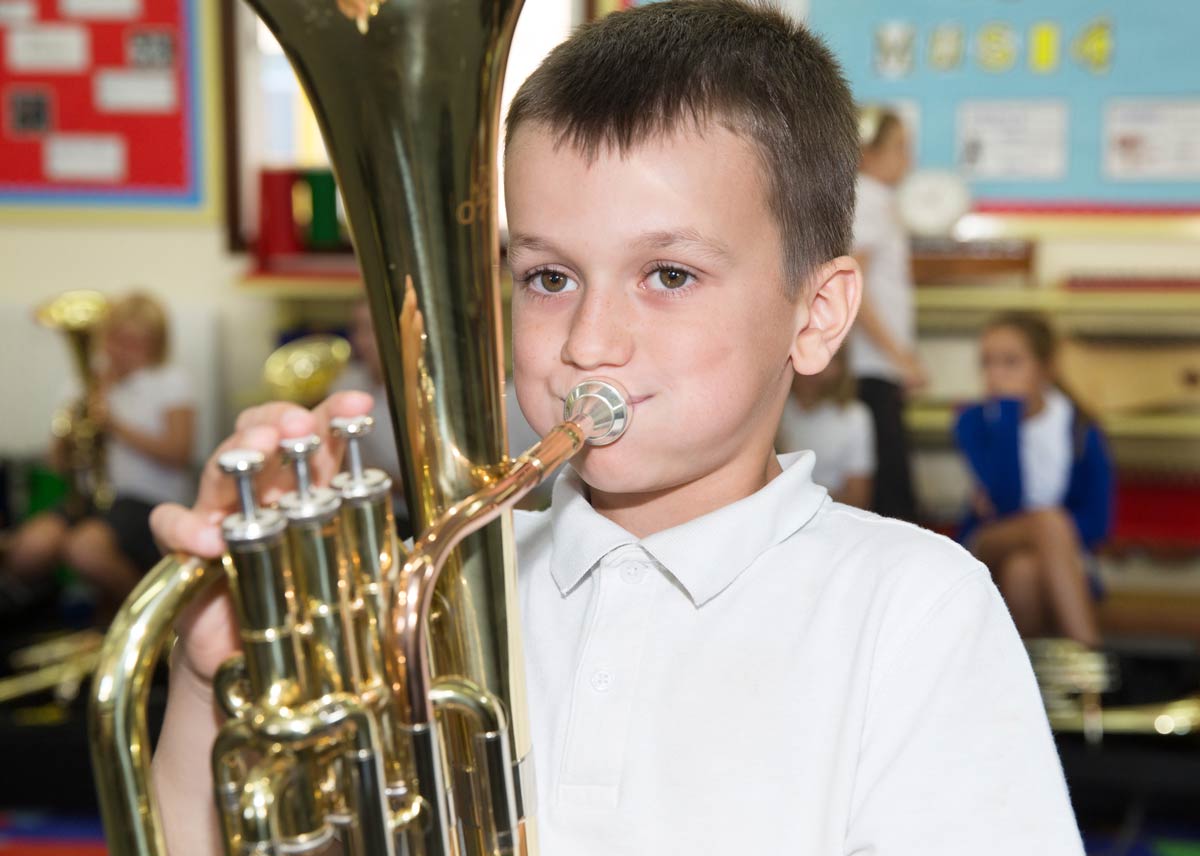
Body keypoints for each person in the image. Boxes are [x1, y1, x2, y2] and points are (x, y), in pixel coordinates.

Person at [148, 3, 1083, 854]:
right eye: (549, 278)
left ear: (818, 315)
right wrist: (206, 683)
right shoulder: (424, 599)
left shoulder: (914, 610)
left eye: (669, 275)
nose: (590, 343)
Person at [3, 291, 195, 615]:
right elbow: (56, 463)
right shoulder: (83, 384)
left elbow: (179, 453)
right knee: (29, 548)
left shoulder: (170, 383)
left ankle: (155, 617)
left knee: (86, 550)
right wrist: (69, 437)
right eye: (116, 339)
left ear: (155, 344)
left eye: (134, 342)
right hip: (92, 498)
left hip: (147, 499)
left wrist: (115, 426)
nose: (122, 351)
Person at [954, 311, 1113, 648]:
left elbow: (1098, 524)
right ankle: (1092, 659)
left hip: (1062, 558)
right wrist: (1007, 416)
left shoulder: (1081, 428)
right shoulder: (973, 422)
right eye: (987, 363)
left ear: (1046, 367)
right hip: (988, 544)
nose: (996, 375)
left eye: (1011, 362)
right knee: (1048, 522)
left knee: (1024, 571)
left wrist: (1051, 543)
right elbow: (1006, 501)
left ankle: (1034, 688)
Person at [849, 105, 924, 522]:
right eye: (899, 147)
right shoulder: (869, 200)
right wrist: (900, 357)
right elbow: (854, 288)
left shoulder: (874, 200)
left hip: (877, 363)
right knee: (891, 493)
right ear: (866, 152)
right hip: (871, 364)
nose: (907, 160)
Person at [776, 348, 874, 508]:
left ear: (842, 365)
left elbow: (858, 497)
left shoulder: (855, 416)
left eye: (828, 359)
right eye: (805, 355)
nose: (814, 369)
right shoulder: (774, 411)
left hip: (831, 515)